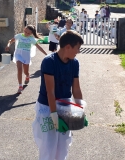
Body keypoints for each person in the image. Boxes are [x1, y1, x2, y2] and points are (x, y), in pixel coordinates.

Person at [32, 30, 87, 160]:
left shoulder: (74, 63)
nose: (78, 51)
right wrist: (54, 116)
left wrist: (80, 111)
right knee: (48, 147)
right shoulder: (49, 61)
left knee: (63, 147)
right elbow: (51, 91)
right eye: (77, 48)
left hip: (64, 108)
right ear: (68, 47)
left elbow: (76, 89)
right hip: (47, 107)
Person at [5, 25, 47, 93]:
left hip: (26, 56)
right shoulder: (19, 36)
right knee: (19, 69)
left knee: (25, 72)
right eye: (25, 31)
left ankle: (27, 75)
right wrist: (8, 45)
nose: (26, 33)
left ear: (31, 33)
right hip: (18, 55)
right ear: (24, 29)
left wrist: (46, 54)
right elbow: (10, 41)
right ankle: (20, 86)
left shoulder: (32, 39)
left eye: (28, 33)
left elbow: (39, 47)